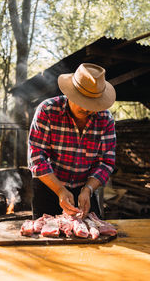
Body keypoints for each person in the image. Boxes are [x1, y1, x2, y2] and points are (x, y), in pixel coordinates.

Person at [28, 63, 116, 219]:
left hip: (84, 189)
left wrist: (88, 189)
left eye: (92, 104)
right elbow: (36, 157)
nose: (87, 109)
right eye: (82, 101)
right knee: (46, 237)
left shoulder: (105, 119)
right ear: (70, 93)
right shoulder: (47, 110)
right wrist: (60, 189)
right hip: (49, 186)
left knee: (91, 232)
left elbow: (106, 162)